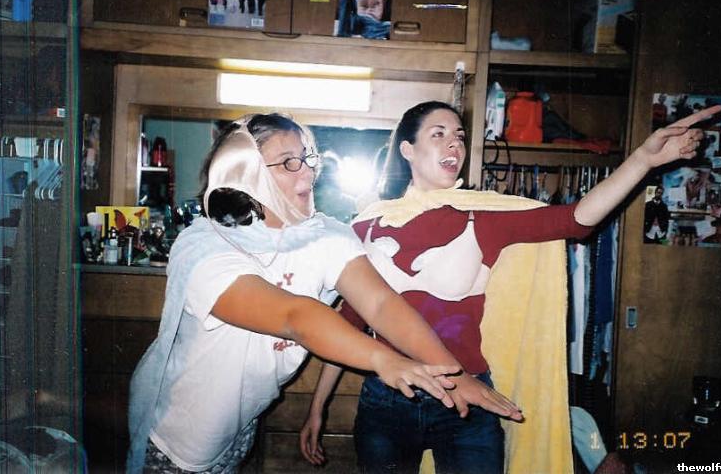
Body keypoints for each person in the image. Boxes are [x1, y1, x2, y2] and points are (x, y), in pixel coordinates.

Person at [300, 101, 719, 474]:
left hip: (467, 400)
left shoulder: (484, 215)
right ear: (407, 149)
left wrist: (643, 160)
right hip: (389, 399)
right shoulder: (366, 226)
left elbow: (577, 218)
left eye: (459, 136)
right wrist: (317, 408)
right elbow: (350, 324)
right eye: (438, 134)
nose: (454, 144)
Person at [126, 114, 521, 473]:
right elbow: (294, 316)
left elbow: (381, 303)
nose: (308, 173)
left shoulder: (324, 235)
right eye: (288, 163)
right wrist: (384, 359)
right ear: (243, 172)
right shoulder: (205, 245)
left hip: (238, 429)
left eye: (307, 158)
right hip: (175, 439)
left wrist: (452, 373)